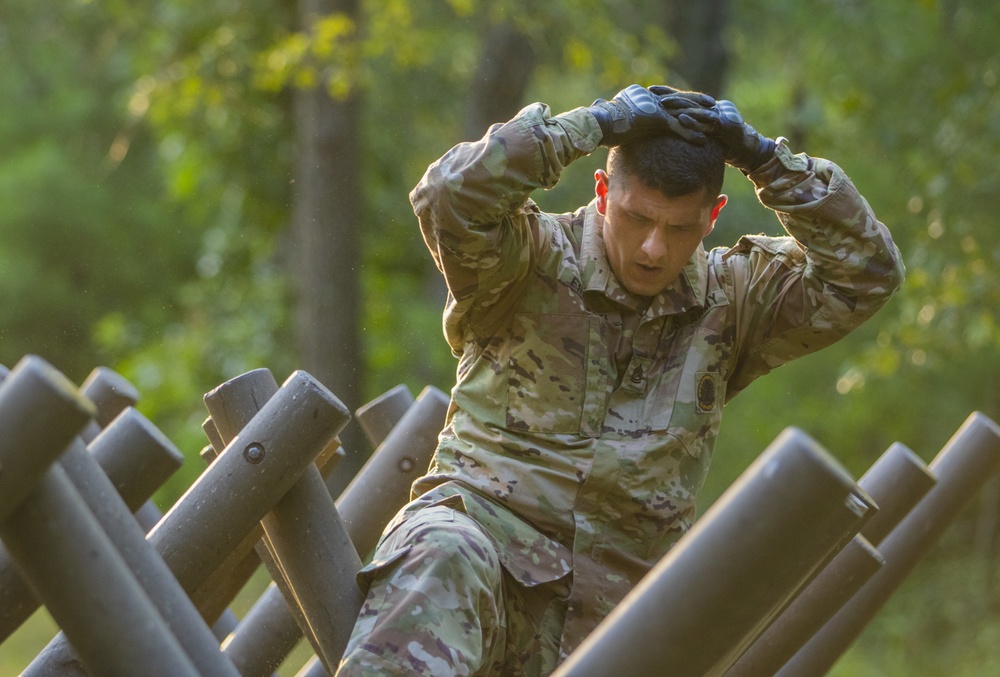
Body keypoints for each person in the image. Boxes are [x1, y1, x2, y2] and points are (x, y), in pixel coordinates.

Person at [336, 84, 904, 676]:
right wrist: (595, 124)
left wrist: (765, 159)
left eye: (680, 229)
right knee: (441, 551)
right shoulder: (525, 259)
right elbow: (448, 195)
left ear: (712, 217)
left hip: (620, 618)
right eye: (638, 219)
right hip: (484, 567)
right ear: (604, 194)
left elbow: (866, 274)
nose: (655, 250)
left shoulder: (732, 301)